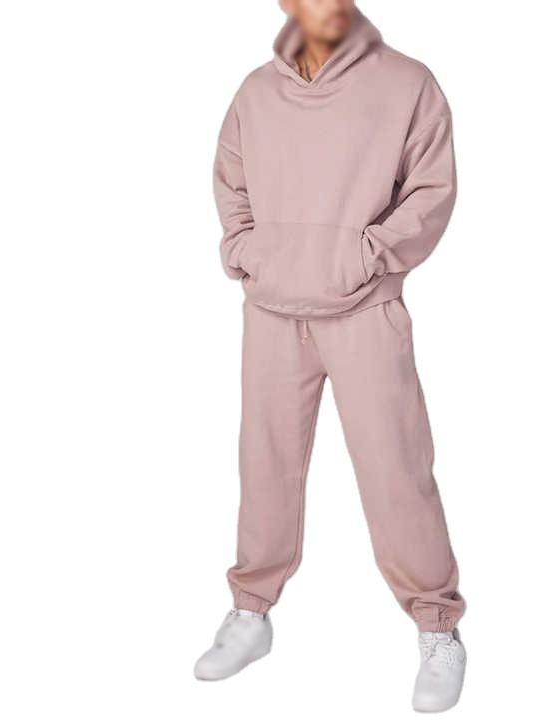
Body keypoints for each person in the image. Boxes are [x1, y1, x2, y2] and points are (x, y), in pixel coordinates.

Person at [194, 0, 466, 711]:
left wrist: (367, 256)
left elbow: (431, 192)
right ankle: (251, 612)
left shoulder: (407, 83)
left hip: (365, 309)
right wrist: (248, 251)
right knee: (265, 464)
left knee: (395, 466)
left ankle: (436, 623)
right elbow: (231, 184)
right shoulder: (256, 91)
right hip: (272, 311)